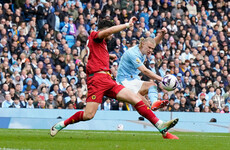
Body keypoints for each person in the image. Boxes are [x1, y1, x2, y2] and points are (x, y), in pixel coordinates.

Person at [50, 17, 179, 139]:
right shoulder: (95, 34)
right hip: (97, 81)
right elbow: (109, 31)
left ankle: (160, 124)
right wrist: (127, 25)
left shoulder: (101, 44)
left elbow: (94, 56)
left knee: (135, 99)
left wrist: (109, 57)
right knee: (88, 115)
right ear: (104, 30)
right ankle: (62, 124)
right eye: (109, 33)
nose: (111, 36)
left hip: (108, 80)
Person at [116, 28, 169, 111]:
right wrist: (162, 79)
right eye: (149, 48)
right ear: (143, 44)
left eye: (152, 49)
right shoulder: (133, 53)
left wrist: (162, 34)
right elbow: (144, 71)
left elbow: (154, 42)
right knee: (144, 104)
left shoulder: (144, 48)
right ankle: (156, 121)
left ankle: (155, 103)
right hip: (124, 81)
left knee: (152, 86)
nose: (150, 51)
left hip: (134, 79)